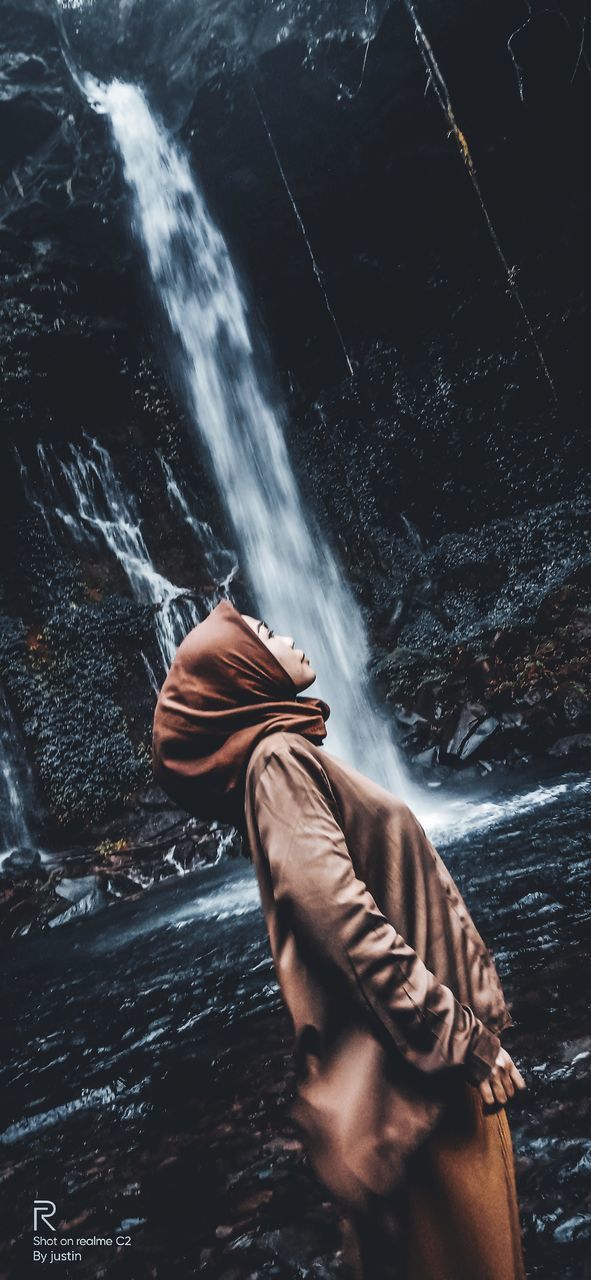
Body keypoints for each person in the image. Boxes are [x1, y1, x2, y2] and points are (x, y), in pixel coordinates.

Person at [152, 598, 527, 1279]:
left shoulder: (284, 756)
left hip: (422, 1078)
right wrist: (460, 1039)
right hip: (421, 1085)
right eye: (264, 633)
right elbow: (341, 923)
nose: (284, 634)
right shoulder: (276, 762)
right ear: (243, 671)